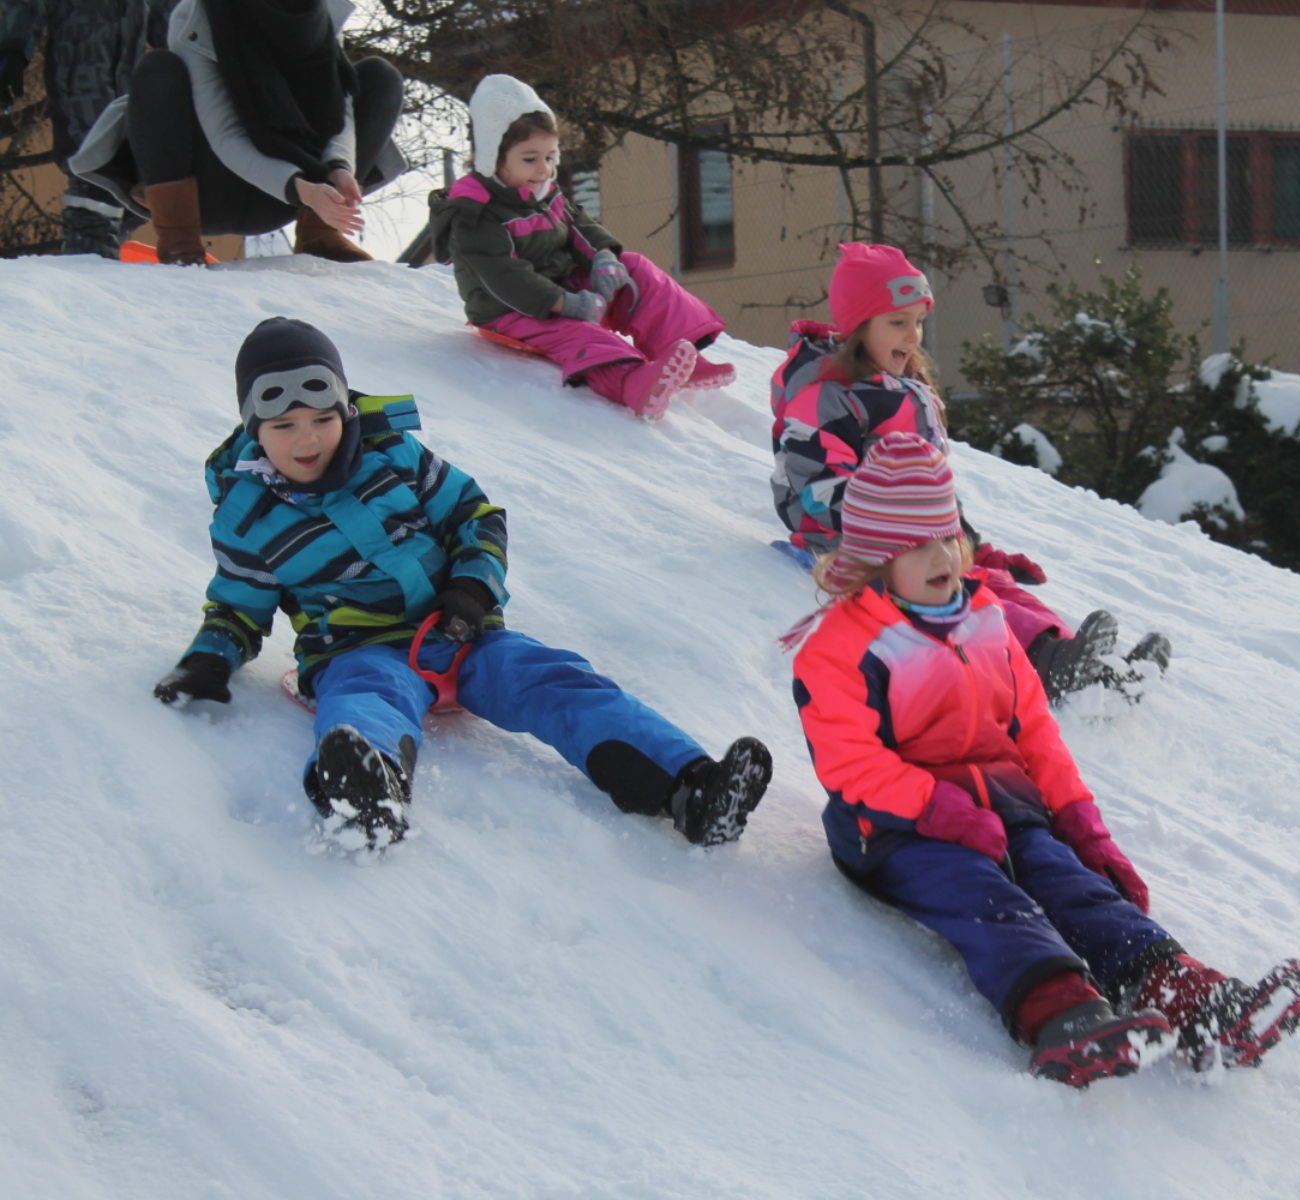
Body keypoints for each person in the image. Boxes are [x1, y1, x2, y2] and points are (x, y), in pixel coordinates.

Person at [787, 434, 1300, 1088]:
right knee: (988, 899)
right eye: (919, 544)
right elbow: (849, 765)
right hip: (897, 830)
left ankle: (1185, 995)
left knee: (1074, 885)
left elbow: (1034, 731)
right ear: (876, 557)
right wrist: (939, 809)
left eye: (948, 535)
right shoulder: (841, 648)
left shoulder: (986, 619)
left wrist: (1082, 825)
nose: (944, 555)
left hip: (1008, 810)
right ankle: (1063, 1015)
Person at [153, 317, 772, 853]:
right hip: (355, 650)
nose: (308, 438)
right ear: (253, 429)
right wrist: (208, 660)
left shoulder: (396, 455)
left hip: (459, 630)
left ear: (345, 408)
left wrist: (472, 591)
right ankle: (368, 795)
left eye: (322, 417)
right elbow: (238, 604)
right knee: (366, 700)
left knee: (557, 679)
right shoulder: (249, 517)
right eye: (284, 425)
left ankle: (691, 788)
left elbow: (475, 518)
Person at [771, 242, 1170, 703]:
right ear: (858, 327)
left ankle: (1092, 664)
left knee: (991, 579)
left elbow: (929, 491)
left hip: (913, 536)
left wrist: (972, 544)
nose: (913, 336)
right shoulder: (826, 396)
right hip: (850, 541)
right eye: (897, 323)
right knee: (969, 592)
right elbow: (814, 489)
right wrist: (899, 524)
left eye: (918, 322)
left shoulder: (901, 386)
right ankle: (1049, 665)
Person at [427, 74, 735, 422]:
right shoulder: (475, 214)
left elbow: (578, 227)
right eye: (530, 159)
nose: (544, 169)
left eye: (550, 156)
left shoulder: (544, 192)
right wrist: (566, 303)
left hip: (563, 286)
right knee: (579, 331)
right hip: (510, 310)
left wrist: (603, 258)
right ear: (494, 157)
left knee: (634, 267)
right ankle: (632, 382)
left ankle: (681, 352)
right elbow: (505, 278)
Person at [68, 0, 406, 265]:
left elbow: (338, 113)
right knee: (158, 70)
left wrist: (339, 169)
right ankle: (178, 239)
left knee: (380, 76)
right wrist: (302, 188)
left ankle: (321, 234)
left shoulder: (319, 15)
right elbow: (226, 136)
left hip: (292, 196)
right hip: (211, 189)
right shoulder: (198, 18)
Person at [0, 0, 177, 257]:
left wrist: (200, 58)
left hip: (127, 88)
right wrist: (13, 52)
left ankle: (98, 252)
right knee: (94, 169)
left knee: (139, 180)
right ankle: (89, 256)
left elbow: (171, 22)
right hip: (80, 82)